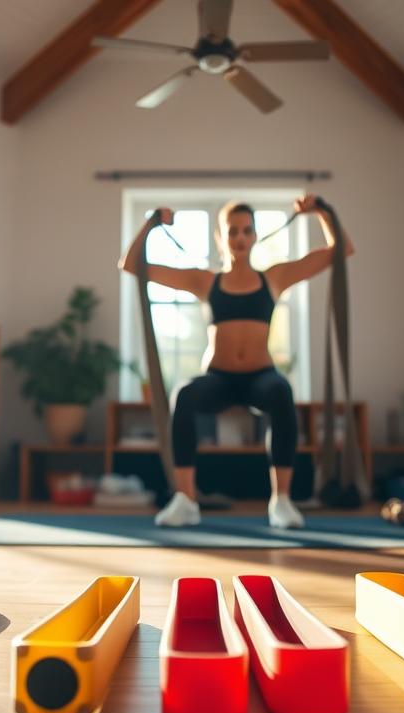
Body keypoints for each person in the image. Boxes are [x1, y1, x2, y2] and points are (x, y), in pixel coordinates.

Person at [119, 196, 354, 528]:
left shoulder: (273, 277)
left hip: (261, 377)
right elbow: (131, 264)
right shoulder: (205, 281)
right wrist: (152, 223)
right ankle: (185, 500)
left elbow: (341, 251)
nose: (240, 238)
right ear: (220, 238)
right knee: (184, 395)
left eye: (246, 231)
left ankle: (281, 501)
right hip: (218, 377)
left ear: (256, 236)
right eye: (232, 232)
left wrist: (321, 213)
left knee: (281, 393)